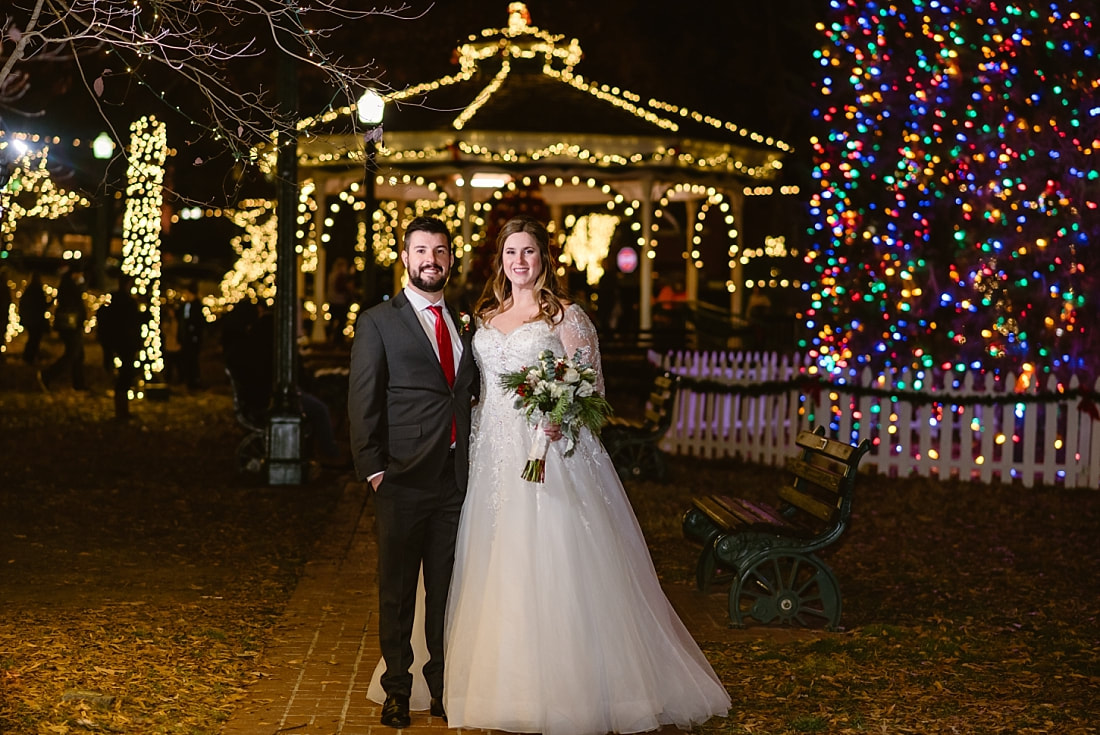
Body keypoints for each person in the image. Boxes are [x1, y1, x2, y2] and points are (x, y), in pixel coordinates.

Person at [443, 216, 730, 735]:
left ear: (543, 257)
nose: (520, 262)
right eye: (511, 253)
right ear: (499, 260)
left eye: (528, 251)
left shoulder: (565, 316)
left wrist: (560, 416)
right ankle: (506, 686)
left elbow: (591, 386)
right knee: (498, 560)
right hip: (493, 456)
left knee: (557, 558)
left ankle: (573, 688)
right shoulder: (487, 315)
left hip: (551, 452)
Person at [348, 216, 478, 729]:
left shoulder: (461, 322)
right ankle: (397, 689)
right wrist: (373, 469)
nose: (432, 259)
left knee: (446, 589)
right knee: (398, 591)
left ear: (451, 258)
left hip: (453, 479)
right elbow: (362, 399)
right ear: (404, 257)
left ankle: (442, 686)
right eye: (421, 250)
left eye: (440, 251)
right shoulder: (379, 320)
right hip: (400, 478)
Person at [96, 274, 144, 419]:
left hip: (117, 341)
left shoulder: (115, 300)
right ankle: (122, 410)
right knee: (126, 375)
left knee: (124, 375)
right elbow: (132, 323)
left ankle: (121, 409)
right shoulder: (128, 302)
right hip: (125, 342)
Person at [40, 268, 88, 391]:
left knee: (78, 355)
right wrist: (81, 286)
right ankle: (49, 374)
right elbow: (75, 300)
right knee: (72, 354)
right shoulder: (70, 286)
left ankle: (79, 383)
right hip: (70, 325)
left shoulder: (67, 284)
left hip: (72, 325)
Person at [178, 283, 204, 389]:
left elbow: (198, 322)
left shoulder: (196, 305)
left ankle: (194, 382)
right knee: (187, 360)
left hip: (192, 338)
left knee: (193, 360)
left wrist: (194, 335)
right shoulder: (185, 305)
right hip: (186, 338)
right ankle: (189, 381)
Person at [19, 272, 49, 365]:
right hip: (37, 320)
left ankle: (28, 357)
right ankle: (29, 357)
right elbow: (42, 305)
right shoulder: (37, 291)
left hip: (31, 320)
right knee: (35, 339)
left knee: (32, 338)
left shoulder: (28, 290)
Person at [326, 256, 356, 344]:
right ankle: (337, 341)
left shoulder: (331, 275)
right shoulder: (340, 275)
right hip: (340, 302)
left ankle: (332, 339)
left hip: (332, 300)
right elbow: (340, 288)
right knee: (341, 322)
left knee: (333, 322)